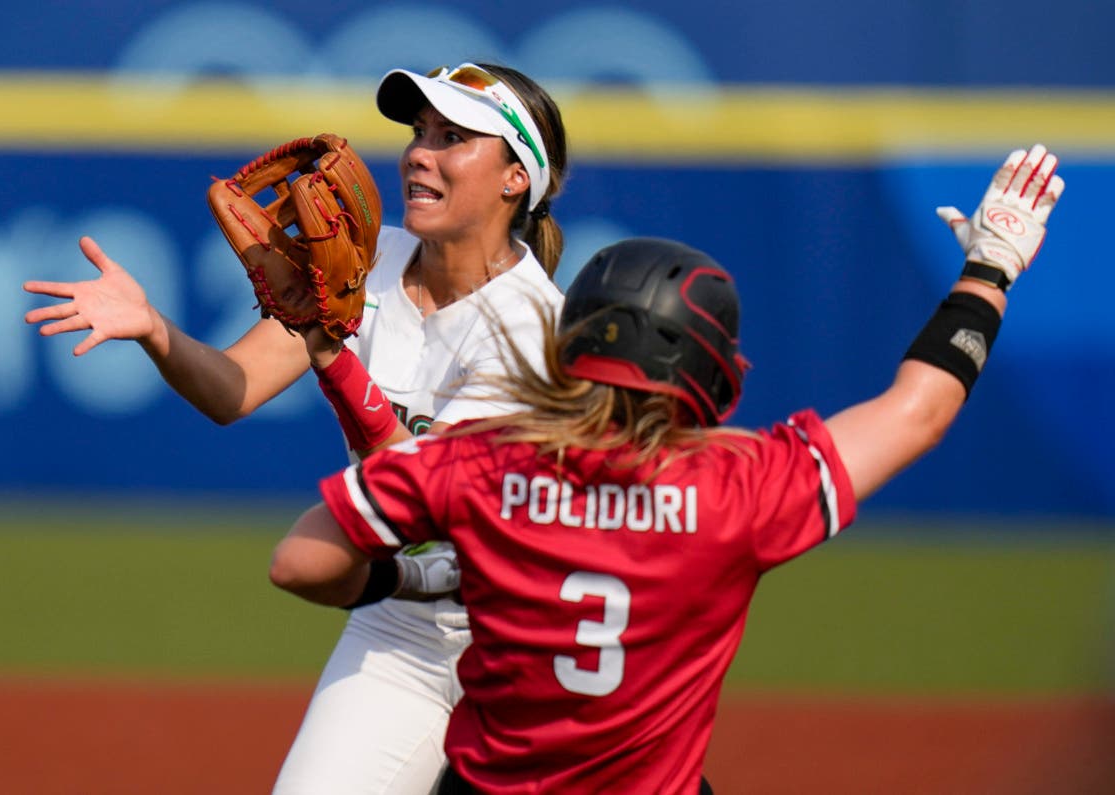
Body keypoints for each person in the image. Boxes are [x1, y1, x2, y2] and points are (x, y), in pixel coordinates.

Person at [266, 146, 1064, 793]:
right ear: (711, 368)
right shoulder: (741, 486)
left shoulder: (478, 461)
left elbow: (301, 561)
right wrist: (987, 273)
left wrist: (418, 580)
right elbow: (920, 409)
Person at [23, 63, 569, 795]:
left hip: (524, 650)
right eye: (419, 133)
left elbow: (422, 505)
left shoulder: (535, 327)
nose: (419, 152)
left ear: (514, 179)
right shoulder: (373, 262)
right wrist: (155, 329)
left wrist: (328, 352)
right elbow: (229, 389)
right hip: (402, 627)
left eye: (454, 138)